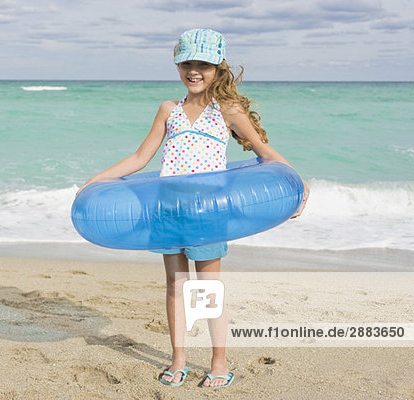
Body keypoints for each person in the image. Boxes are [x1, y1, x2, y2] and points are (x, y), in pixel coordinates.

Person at [77, 28, 310, 389]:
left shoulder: (227, 111)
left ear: (217, 68)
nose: (194, 70)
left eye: (203, 64)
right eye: (187, 63)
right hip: (168, 209)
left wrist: (298, 180)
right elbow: (141, 157)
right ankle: (179, 359)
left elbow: (265, 153)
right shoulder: (168, 110)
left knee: (207, 289)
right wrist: (97, 179)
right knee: (175, 286)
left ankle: (219, 361)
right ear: (178, 65)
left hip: (208, 213)